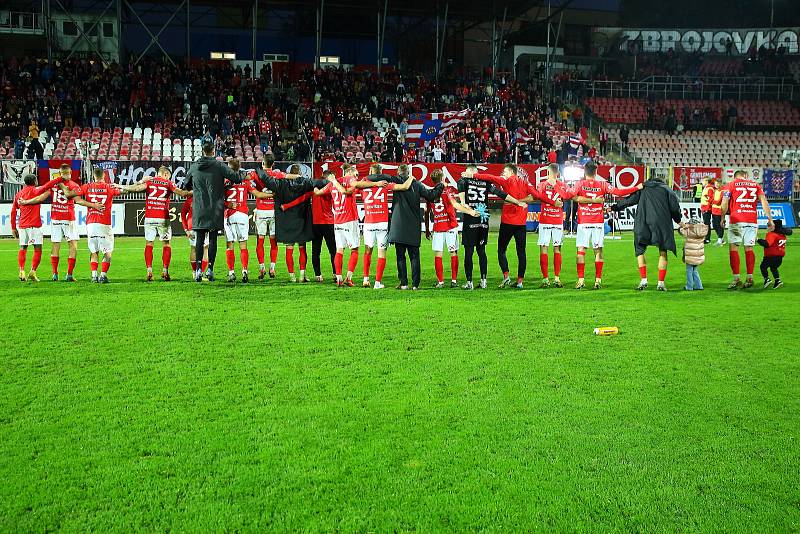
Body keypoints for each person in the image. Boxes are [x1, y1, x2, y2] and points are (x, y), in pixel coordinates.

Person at [473, 164, 561, 289]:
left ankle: (506, 276)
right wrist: (553, 202)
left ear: (510, 172)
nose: (503, 173)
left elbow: (490, 177)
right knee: (521, 253)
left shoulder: (507, 180)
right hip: (521, 224)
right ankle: (520, 281)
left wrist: (473, 175)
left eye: (505, 171)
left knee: (502, 250)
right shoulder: (525, 183)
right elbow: (538, 195)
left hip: (507, 222)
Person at [17, 164, 101, 281]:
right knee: (73, 245)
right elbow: (79, 201)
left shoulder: (54, 185)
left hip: (55, 219)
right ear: (70, 173)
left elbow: (40, 198)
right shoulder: (73, 185)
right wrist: (94, 205)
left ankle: (55, 274)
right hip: (68, 219)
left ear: (60, 173)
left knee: (55, 245)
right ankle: (69, 274)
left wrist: (26, 202)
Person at [254, 156, 329, 282]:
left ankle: (292, 276)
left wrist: (259, 169)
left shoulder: (280, 184)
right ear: (300, 174)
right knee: (302, 249)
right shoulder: (305, 183)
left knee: (289, 249)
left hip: (286, 221)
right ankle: (302, 275)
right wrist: (333, 181)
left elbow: (266, 179)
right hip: (301, 220)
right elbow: (320, 182)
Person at [367, 164, 442, 290]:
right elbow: (431, 195)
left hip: (398, 227)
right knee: (414, 256)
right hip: (413, 226)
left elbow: (374, 177)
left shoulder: (395, 180)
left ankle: (403, 283)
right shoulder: (417, 184)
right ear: (409, 172)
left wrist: (373, 178)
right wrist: (440, 184)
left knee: (400, 256)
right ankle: (415, 285)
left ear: (398, 172)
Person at [572, 162, 642, 289]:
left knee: (581, 251)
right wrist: (636, 188)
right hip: (597, 222)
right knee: (598, 251)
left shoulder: (579, 184)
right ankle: (598, 280)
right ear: (596, 172)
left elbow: (573, 197)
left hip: (584, 222)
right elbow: (620, 192)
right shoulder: (602, 184)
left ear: (584, 172)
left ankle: (581, 280)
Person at [118, 166, 192, 281]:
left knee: (149, 243)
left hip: (149, 218)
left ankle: (149, 271)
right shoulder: (168, 183)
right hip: (163, 218)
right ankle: (165, 271)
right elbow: (181, 193)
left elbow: (136, 189)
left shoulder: (150, 181)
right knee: (166, 244)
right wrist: (193, 192)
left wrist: (121, 186)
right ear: (166, 174)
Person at [609, 174, 681, 291]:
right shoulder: (667, 189)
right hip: (661, 224)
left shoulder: (644, 188)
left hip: (643, 222)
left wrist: (614, 207)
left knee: (640, 250)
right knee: (663, 251)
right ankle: (661, 283)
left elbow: (629, 201)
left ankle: (643, 280)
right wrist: (678, 220)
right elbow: (674, 208)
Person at [185, 143, 242, 282]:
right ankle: (210, 269)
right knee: (212, 238)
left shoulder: (194, 166)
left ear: (203, 151)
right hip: (215, 207)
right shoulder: (219, 165)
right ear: (214, 151)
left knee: (199, 238)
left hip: (199, 207)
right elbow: (236, 178)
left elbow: (185, 184)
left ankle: (198, 270)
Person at [458, 165, 517, 290]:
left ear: (469, 172)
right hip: (483, 220)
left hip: (470, 219)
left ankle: (469, 282)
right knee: (481, 251)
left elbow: (462, 195)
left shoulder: (463, 180)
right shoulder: (485, 182)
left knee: (469, 252)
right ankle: (484, 281)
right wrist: (516, 201)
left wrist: (464, 204)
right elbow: (500, 193)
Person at [61, 167, 123, 283]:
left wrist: (63, 186)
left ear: (94, 176)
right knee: (107, 251)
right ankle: (103, 275)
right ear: (104, 176)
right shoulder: (109, 187)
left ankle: (94, 276)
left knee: (94, 251)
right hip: (104, 223)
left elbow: (73, 197)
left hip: (91, 223)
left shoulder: (87, 186)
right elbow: (124, 191)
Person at [354, 163, 410, 289]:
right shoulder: (385, 183)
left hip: (369, 222)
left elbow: (355, 186)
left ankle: (365, 279)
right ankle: (378, 283)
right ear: (381, 172)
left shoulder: (364, 183)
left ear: (370, 171)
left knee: (368, 251)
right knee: (381, 253)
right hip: (382, 223)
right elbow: (402, 187)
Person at [720, 169, 774, 289]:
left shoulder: (730, 185)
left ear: (735, 177)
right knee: (749, 248)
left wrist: (722, 217)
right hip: (752, 220)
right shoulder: (756, 185)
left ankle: (736, 278)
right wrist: (770, 219)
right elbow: (764, 201)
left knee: (734, 248)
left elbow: (724, 203)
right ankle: (749, 278)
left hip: (737, 220)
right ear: (745, 176)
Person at [425, 170, 479, 288]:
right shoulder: (447, 191)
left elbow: (427, 212)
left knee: (438, 254)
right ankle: (454, 281)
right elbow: (455, 204)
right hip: (450, 226)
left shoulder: (430, 193)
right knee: (453, 252)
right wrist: (470, 211)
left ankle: (440, 282)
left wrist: (427, 229)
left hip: (438, 227)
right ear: (442, 178)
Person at [222, 159, 272, 283]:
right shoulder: (245, 181)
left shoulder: (225, 181)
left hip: (230, 214)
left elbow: (218, 199)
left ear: (229, 168)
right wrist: (273, 195)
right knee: (243, 244)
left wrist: (227, 204)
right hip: (243, 214)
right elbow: (259, 194)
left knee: (230, 245)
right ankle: (244, 271)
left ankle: (231, 273)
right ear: (239, 168)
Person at [10, 174, 62, 281]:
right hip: (34, 225)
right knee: (37, 249)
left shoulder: (19, 194)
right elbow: (47, 185)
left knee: (23, 248)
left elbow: (13, 211)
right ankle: (33, 272)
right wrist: (60, 178)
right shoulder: (35, 190)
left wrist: (13, 228)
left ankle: (21, 270)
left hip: (22, 226)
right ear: (34, 181)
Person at [531, 163, 573, 288]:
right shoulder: (562, 185)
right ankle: (556, 278)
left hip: (545, 220)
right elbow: (567, 196)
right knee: (557, 248)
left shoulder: (542, 184)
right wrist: (555, 199)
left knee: (544, 248)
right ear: (558, 173)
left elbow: (537, 196)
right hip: (556, 220)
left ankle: (545, 279)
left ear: (548, 172)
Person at [324, 164, 362, 287]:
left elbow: (319, 192)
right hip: (350, 220)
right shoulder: (350, 181)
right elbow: (347, 191)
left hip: (338, 221)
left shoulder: (332, 184)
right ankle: (349, 278)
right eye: (356, 174)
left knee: (339, 250)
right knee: (355, 250)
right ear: (349, 173)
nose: (357, 177)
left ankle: (339, 278)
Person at [247, 167, 278, 279]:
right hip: (273, 211)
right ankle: (272, 267)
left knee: (260, 241)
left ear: (263, 164)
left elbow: (247, 177)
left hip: (261, 211)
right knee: (273, 241)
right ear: (273, 164)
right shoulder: (276, 174)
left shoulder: (256, 174)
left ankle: (262, 268)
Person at [310, 172, 336, 282]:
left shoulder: (313, 188)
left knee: (316, 251)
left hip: (316, 223)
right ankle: (336, 273)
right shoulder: (331, 188)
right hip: (328, 223)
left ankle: (318, 275)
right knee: (333, 250)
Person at [180, 195, 209, 277]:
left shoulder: (190, 199)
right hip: (202, 225)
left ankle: (194, 273)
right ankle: (200, 273)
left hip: (192, 225)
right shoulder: (206, 197)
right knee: (205, 248)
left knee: (194, 248)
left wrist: (186, 229)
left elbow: (182, 213)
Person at [757, 220, 791, 289]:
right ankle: (777, 280)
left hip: (771, 256)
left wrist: (758, 239)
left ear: (774, 227)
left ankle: (767, 279)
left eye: (769, 225)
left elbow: (767, 244)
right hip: (780, 258)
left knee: (763, 267)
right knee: (773, 268)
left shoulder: (771, 234)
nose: (767, 227)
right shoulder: (783, 235)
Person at [679, 219, 707, 291]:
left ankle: (689, 286)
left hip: (690, 254)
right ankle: (699, 285)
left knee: (689, 270)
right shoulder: (702, 229)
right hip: (699, 254)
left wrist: (684, 225)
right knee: (694, 270)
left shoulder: (689, 230)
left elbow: (680, 230)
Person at [700, 178, 714, 244]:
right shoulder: (706, 188)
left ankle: (707, 239)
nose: (702, 181)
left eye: (703, 180)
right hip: (704, 207)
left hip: (706, 208)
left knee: (706, 223)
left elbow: (711, 199)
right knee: (706, 223)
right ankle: (706, 238)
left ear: (706, 181)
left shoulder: (709, 188)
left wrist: (707, 208)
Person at [710, 180, 725, 246]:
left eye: (717, 183)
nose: (716, 185)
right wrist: (712, 201)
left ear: (720, 183)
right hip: (714, 210)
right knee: (714, 225)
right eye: (715, 183)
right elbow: (712, 199)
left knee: (719, 225)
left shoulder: (723, 191)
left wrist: (713, 202)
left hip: (719, 210)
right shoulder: (715, 191)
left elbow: (719, 201)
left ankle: (719, 240)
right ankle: (721, 239)